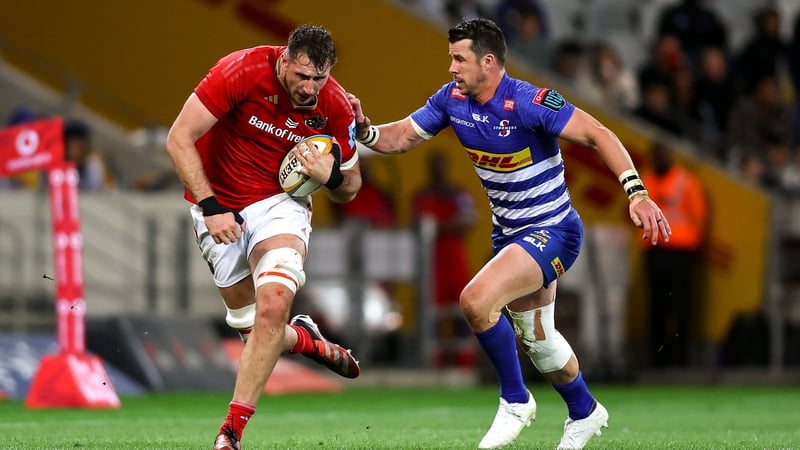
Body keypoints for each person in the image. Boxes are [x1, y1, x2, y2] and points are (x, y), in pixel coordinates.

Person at [349, 18, 671, 450]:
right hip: (510, 236)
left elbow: (599, 134)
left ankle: (516, 401)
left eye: (459, 59)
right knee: (539, 341)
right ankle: (585, 411)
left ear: (488, 62)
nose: (451, 68)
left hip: (553, 230)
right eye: (450, 58)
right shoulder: (451, 100)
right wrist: (364, 131)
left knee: (475, 301)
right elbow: (402, 136)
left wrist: (637, 193)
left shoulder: (529, 101)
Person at [164, 25, 363, 450]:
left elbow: (351, 188)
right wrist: (211, 206)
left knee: (273, 306)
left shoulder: (335, 105)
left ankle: (230, 432)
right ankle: (305, 339)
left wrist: (332, 177)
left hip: (279, 205)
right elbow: (178, 138)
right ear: (284, 60)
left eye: (320, 78)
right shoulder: (240, 70)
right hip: (218, 203)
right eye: (302, 76)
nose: (309, 88)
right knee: (253, 331)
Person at [640, 141, 708, 368]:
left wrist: (694, 245)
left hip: (681, 252)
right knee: (656, 306)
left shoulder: (685, 181)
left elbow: (698, 215)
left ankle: (682, 358)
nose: (660, 158)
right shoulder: (645, 180)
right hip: (655, 251)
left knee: (682, 306)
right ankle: (657, 359)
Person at [412, 150, 478, 368]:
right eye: (435, 165)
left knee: (463, 310)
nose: (438, 170)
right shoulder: (421, 196)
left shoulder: (459, 195)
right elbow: (419, 226)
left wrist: (438, 227)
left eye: (441, 165)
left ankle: (464, 362)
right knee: (434, 313)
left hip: (456, 259)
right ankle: (435, 362)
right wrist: (452, 224)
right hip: (432, 262)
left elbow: (468, 221)